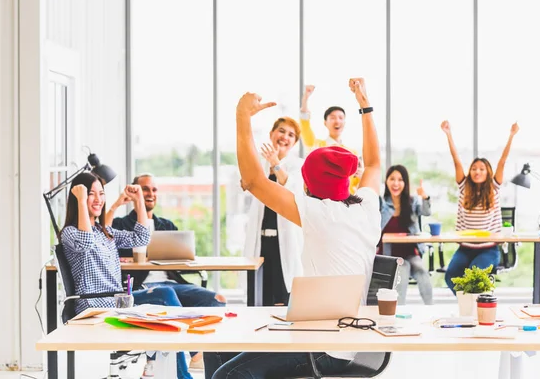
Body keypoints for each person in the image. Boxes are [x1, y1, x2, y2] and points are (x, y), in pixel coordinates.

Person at [204, 77, 382, 379]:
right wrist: (365, 106)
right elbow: (375, 164)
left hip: (324, 350)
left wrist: (242, 116)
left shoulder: (317, 213)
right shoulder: (366, 206)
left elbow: (253, 179)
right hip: (325, 333)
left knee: (228, 375)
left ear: (309, 186)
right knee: (216, 348)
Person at [60, 172, 194, 379]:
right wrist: (79, 198)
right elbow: (85, 242)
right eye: (91, 194)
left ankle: (172, 369)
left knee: (166, 295)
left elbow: (142, 236)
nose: (98, 199)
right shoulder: (70, 233)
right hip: (93, 306)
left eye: (101, 194)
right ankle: (181, 373)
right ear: (78, 197)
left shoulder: (103, 232)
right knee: (164, 298)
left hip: (115, 302)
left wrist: (139, 200)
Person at [110, 173, 226, 372]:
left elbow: (182, 260)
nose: (150, 193)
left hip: (172, 283)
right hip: (142, 286)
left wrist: (183, 256)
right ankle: (186, 355)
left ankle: (211, 363)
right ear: (134, 192)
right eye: (145, 189)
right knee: (169, 300)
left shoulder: (167, 226)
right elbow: (107, 248)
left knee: (217, 299)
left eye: (154, 189)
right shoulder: (120, 225)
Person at [441, 120, 520, 293]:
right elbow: (456, 161)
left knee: (474, 277)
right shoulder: (464, 188)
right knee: (451, 275)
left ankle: (475, 312)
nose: (477, 171)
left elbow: (502, 161)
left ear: (488, 172)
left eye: (482, 169)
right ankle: (468, 308)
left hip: (489, 250)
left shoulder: (494, 188)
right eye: (474, 168)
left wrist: (511, 136)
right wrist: (448, 134)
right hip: (465, 248)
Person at [243, 117, 304, 306]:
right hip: (260, 241)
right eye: (281, 131)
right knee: (258, 297)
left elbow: (291, 188)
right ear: (271, 134)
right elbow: (245, 183)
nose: (285, 137)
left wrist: (276, 163)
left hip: (284, 242)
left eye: (291, 135)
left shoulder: (298, 166)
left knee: (282, 299)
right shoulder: (258, 163)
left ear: (294, 143)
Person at [378, 165, 433, 305]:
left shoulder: (412, 201)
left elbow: (426, 212)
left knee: (422, 272)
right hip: (390, 254)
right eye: (392, 179)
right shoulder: (381, 203)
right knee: (402, 270)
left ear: (405, 183)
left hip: (411, 252)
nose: (396, 183)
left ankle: (430, 308)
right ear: (386, 182)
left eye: (400, 179)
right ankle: (398, 313)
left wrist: (424, 197)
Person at [299, 84, 362, 194]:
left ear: (344, 123)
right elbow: (305, 126)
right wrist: (305, 99)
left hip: (346, 204)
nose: (337, 121)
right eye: (332, 118)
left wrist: (361, 176)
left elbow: (355, 184)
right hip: (322, 201)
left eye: (341, 118)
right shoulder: (316, 146)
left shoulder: (352, 153)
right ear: (325, 122)